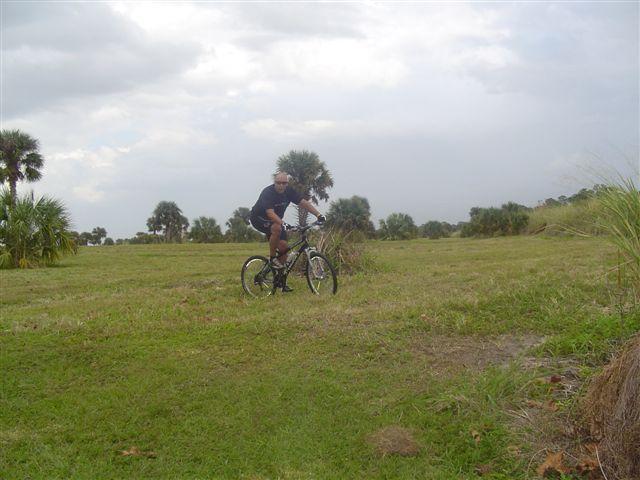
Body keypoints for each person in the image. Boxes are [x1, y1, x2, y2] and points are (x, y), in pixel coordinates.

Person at [250, 172, 325, 291]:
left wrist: (318, 215)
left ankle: (280, 282)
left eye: (283, 183)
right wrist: (284, 224)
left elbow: (303, 203)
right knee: (277, 227)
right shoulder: (268, 193)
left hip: (277, 222)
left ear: (287, 184)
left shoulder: (289, 192)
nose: (280, 185)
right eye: (278, 183)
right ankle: (273, 258)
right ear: (274, 182)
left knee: (284, 248)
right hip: (259, 219)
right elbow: (270, 213)